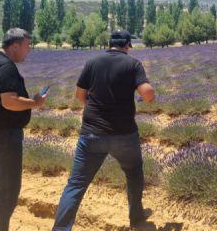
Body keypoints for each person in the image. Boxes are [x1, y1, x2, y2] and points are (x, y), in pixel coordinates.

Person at [53, 30, 156, 230]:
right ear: (127, 45)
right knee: (133, 172)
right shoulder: (132, 63)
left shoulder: (93, 62)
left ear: (109, 44)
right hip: (124, 134)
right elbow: (148, 93)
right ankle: (136, 217)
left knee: (76, 184)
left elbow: (79, 94)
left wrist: (94, 111)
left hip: (92, 133)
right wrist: (147, 98)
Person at [0, 27, 47, 231]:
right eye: (27, 46)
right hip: (5, 137)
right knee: (7, 193)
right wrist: (35, 103)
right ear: (15, 45)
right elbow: (9, 101)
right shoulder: (6, 67)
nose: (29, 51)